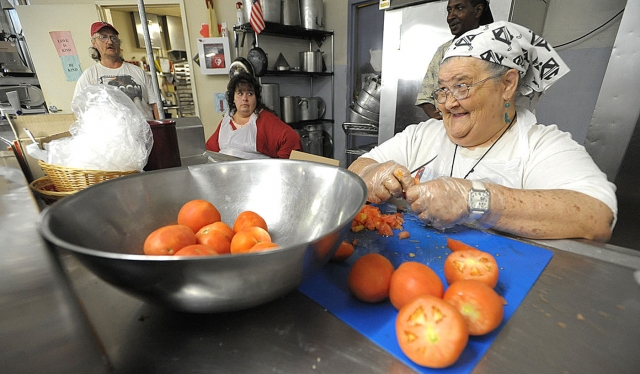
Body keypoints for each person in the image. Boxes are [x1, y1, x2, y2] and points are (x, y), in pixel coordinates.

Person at [348, 21, 617, 242]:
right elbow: (357, 169)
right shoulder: (423, 135)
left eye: (462, 86)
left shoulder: (540, 145)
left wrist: (474, 199)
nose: (448, 102)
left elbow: (597, 216)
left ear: (507, 85)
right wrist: (371, 173)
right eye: (442, 89)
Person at [415, 0, 493, 120]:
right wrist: (444, 118)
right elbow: (425, 96)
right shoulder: (444, 51)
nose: (451, 16)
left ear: (478, 10)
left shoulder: (493, 48)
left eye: (459, 8)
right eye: (449, 10)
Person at [73, 21, 159, 120]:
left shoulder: (138, 72)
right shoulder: (89, 76)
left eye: (113, 38)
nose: (109, 42)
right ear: (94, 43)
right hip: (112, 135)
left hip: (144, 133)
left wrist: (162, 133)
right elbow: (79, 110)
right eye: (103, 37)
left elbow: (156, 104)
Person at [206, 73, 302, 159]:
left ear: (256, 98)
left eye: (250, 93)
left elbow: (292, 139)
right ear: (233, 98)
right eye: (240, 93)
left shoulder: (265, 120)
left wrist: (279, 167)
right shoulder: (226, 122)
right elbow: (209, 150)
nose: (245, 98)